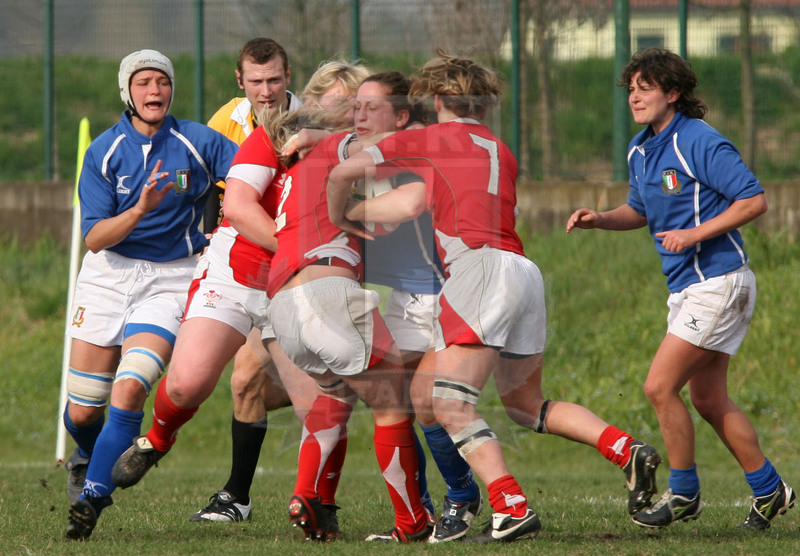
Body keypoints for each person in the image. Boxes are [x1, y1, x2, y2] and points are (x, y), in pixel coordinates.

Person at [327, 49, 662, 544]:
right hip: (522, 271)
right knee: (523, 404)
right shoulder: (500, 148)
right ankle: (622, 448)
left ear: (437, 99)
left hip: (479, 270)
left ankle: (510, 505)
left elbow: (342, 173)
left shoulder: (430, 138)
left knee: (448, 401)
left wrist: (340, 215)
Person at [110, 60, 371, 534]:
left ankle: (318, 504)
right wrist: (297, 248)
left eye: (354, 109)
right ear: (312, 102)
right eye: (334, 106)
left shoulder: (363, 156)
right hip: (239, 269)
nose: (343, 117)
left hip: (297, 284)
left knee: (323, 400)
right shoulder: (276, 135)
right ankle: (158, 439)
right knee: (187, 384)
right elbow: (237, 204)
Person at [566, 47, 795, 530]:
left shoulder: (699, 140)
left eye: (645, 88)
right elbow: (640, 210)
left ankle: (685, 492)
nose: (634, 96)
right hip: (692, 287)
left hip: (718, 282)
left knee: (659, 386)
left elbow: (753, 200)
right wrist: (600, 219)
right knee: (708, 400)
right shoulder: (640, 149)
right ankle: (769, 488)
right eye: (631, 89)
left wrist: (694, 234)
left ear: (673, 92)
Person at [62, 49, 238, 541]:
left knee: (131, 387)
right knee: (82, 411)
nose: (154, 90)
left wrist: (228, 226)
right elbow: (95, 238)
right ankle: (87, 454)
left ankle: (92, 499)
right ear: (128, 92)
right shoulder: (104, 151)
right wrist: (139, 209)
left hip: (171, 279)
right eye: (143, 82)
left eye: (162, 81)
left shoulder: (198, 141)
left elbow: (254, 174)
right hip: (108, 275)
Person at [262, 102, 432, 543]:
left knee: (334, 394)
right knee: (393, 401)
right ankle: (412, 521)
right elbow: (383, 145)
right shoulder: (328, 150)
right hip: (327, 293)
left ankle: (306, 494)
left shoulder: (289, 180)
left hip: (283, 307)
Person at [347, 71, 482, 542]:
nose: (359, 116)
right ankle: (418, 516)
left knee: (429, 406)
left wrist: (342, 210)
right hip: (406, 301)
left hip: (445, 297)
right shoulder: (365, 154)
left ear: (403, 117)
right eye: (356, 107)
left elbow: (409, 205)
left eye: (372, 108)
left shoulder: (421, 149)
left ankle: (463, 494)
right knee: (393, 404)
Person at [191, 36, 303, 524]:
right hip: (248, 268)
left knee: (302, 383)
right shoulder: (227, 121)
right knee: (244, 380)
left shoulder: (311, 121)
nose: (266, 90)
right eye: (256, 81)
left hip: (300, 270)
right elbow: (216, 192)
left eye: (274, 79)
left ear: (289, 76)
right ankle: (237, 498)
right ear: (240, 80)